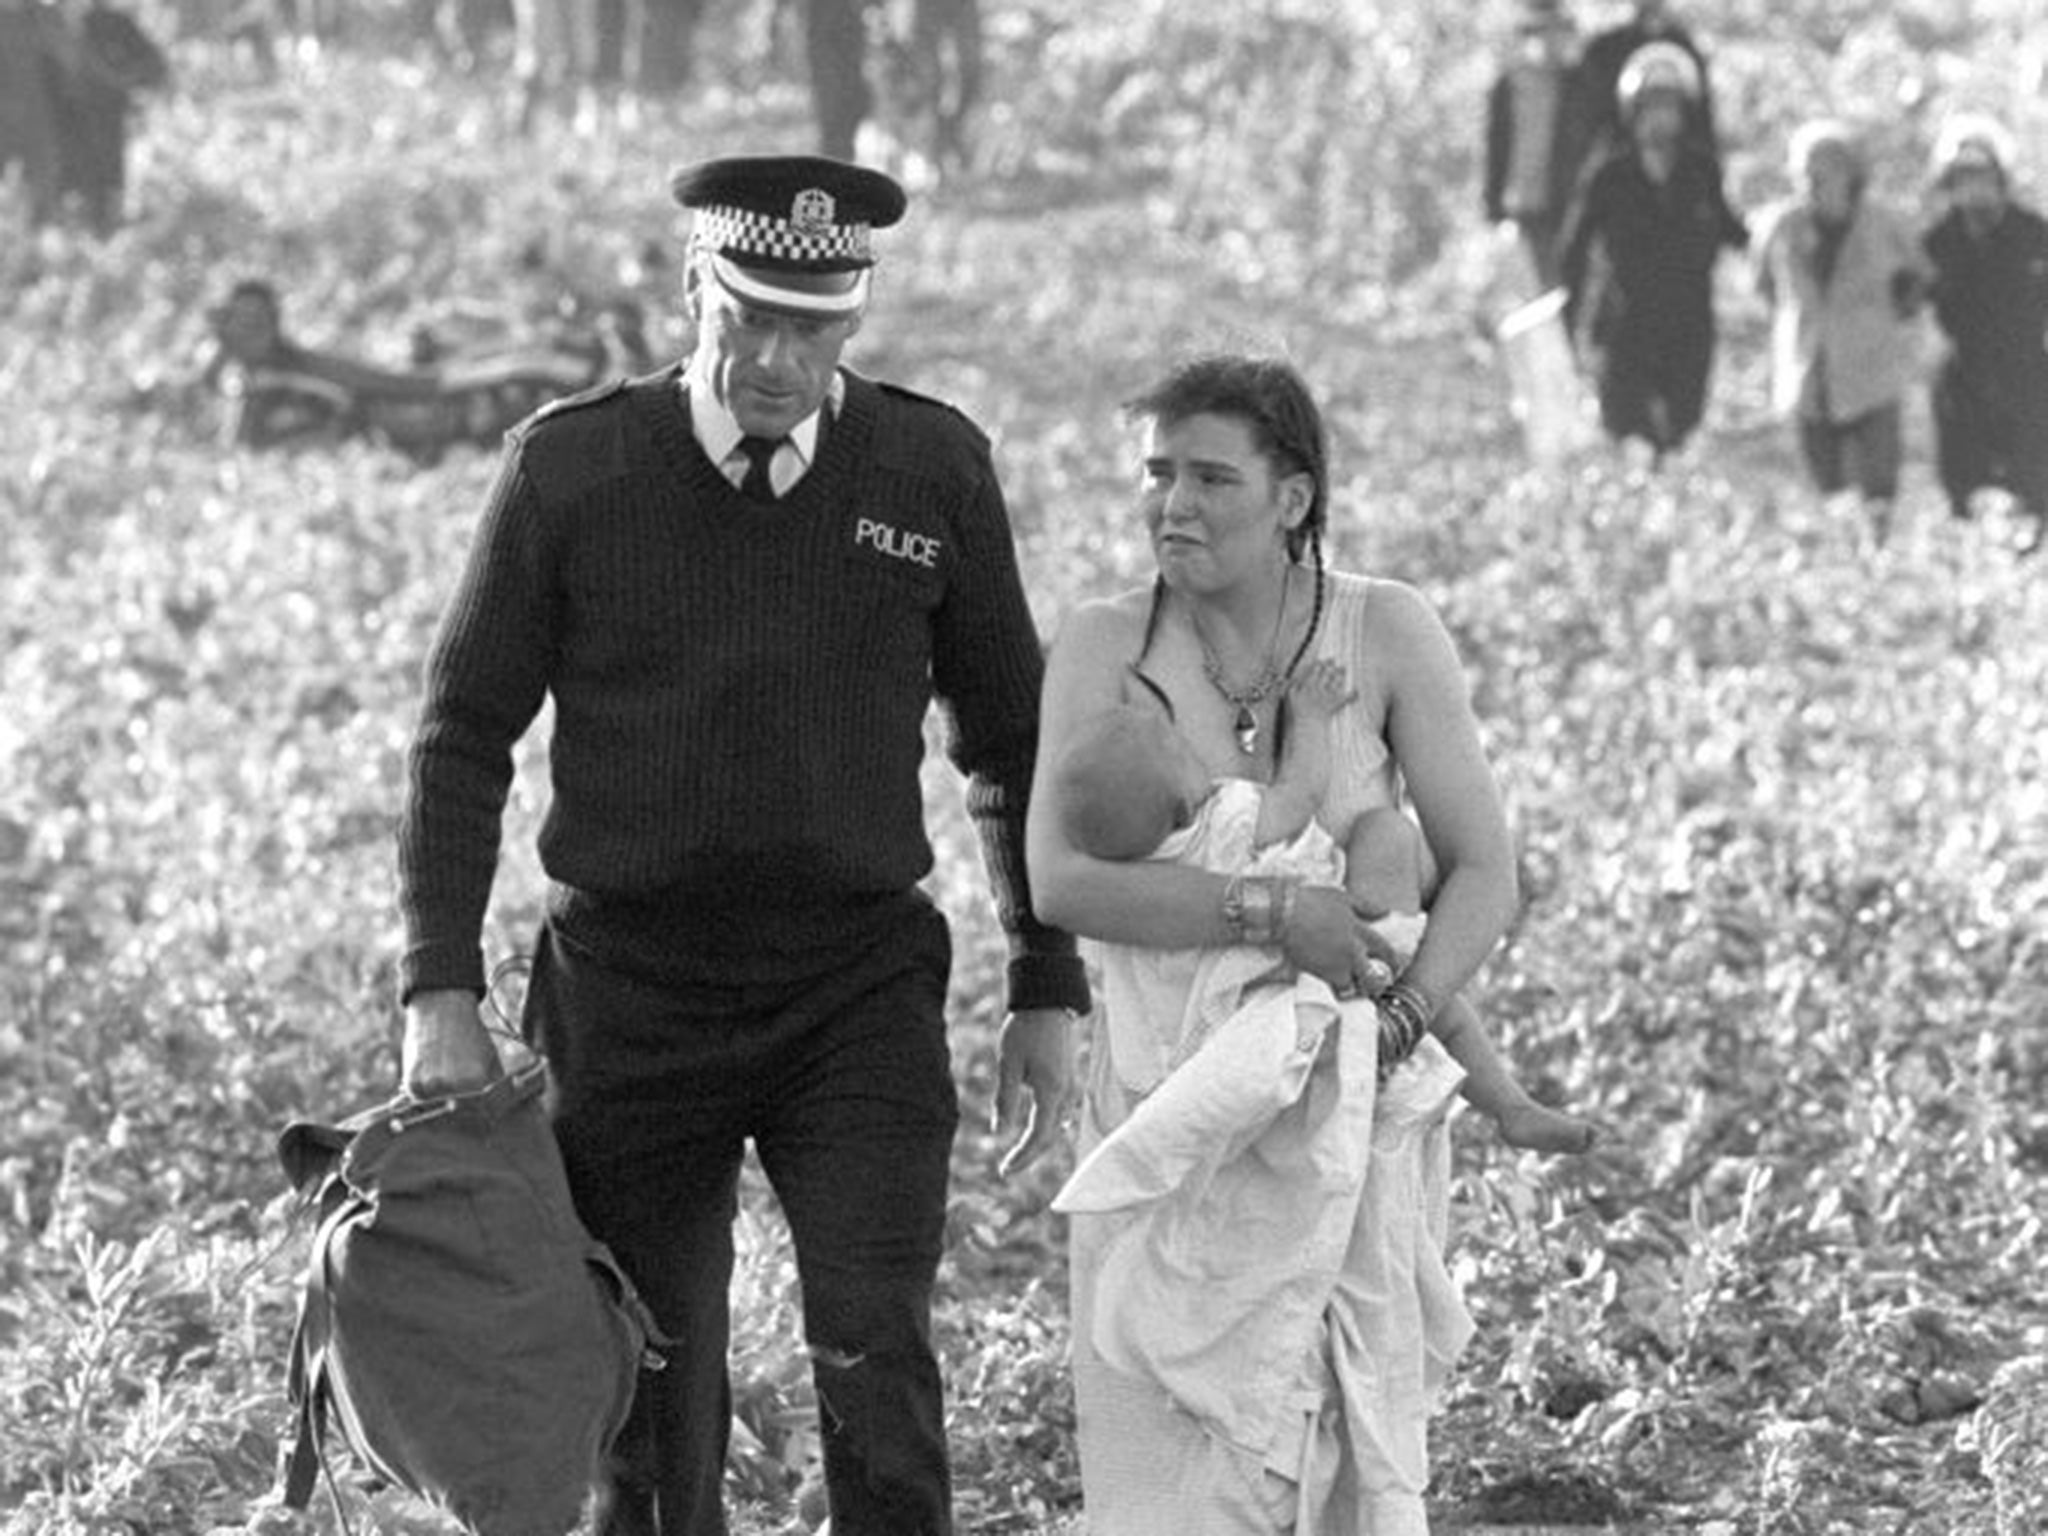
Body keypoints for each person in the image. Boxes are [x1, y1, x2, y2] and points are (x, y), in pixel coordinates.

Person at [396, 153, 1089, 1536]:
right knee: (649, 1396)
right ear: (692, 289)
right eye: (749, 318)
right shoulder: (571, 470)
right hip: (633, 992)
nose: (776, 360)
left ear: (855, 324)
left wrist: (1045, 980)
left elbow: (1009, 742)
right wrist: (438, 990)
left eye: (814, 329)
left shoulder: (931, 469)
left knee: (875, 1352)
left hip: (855, 988)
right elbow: (461, 735)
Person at [1027, 353, 1525, 1532]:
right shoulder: (1103, 644)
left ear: (1292, 497)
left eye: (1209, 478)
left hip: (1347, 1128)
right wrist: (1266, 914)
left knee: (1341, 1458)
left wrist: (1404, 1017)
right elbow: (1059, 879)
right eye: (1155, 475)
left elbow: (1484, 870)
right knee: (1169, 1473)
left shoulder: (1385, 629)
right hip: (1166, 1108)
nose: (1171, 505)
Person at [1044, 663, 1593, 1172]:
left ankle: (1426, 1078)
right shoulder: (1225, 821)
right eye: (1183, 752)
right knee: (1388, 841)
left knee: (1429, 1016)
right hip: (1334, 957)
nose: (1196, 752)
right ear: (1184, 805)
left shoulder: (1127, 886)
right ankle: (1507, 1103)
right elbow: (1300, 792)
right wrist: (1310, 716)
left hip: (1259, 1018)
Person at [1558, 41, 1746, 462]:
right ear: (1633, 112)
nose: (1660, 118)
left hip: (1688, 318)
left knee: (1681, 425)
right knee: (1628, 425)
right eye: (1651, 107)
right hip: (1627, 318)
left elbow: (1732, 230)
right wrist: (1567, 315)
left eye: (1670, 107)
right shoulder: (1609, 175)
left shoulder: (1701, 171)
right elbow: (1575, 248)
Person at [1751, 119, 1929, 544]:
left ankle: (1878, 562)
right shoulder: (1780, 227)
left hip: (1873, 372)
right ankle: (1839, 564)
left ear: (1851, 175)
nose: (1813, 182)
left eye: (1825, 171)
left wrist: (1891, 313)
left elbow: (1919, 279)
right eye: (1805, 173)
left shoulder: (1885, 225)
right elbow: (1764, 286)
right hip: (1810, 374)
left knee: (1879, 489)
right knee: (1827, 491)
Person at [1921, 113, 2048, 555]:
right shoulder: (1935, 244)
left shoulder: (2035, 235)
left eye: (1983, 174)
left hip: (2029, 378)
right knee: (1965, 492)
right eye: (1962, 177)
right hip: (1963, 384)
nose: (1974, 186)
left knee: (2035, 488)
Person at [1482, 0, 1597, 292]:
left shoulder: (1579, 85)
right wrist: (1494, 208)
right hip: (1527, 206)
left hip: (1571, 205)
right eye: (1544, 31)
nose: (1552, 40)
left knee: (1573, 286)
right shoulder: (1508, 87)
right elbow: (1497, 150)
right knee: (1543, 292)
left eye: (1557, 31)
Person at [1577, 0, 1721, 180]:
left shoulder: (1685, 48)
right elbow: (1585, 127)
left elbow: (1702, 126)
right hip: (1622, 178)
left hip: (1680, 175)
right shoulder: (1605, 51)